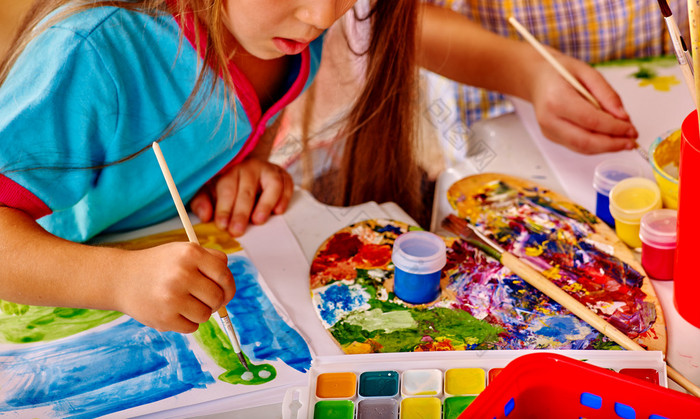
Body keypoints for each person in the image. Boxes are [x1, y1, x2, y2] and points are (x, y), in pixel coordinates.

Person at [0, 0, 636, 333]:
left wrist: (237, 166)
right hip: (52, 298)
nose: (321, 15)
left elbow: (403, 25)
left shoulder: (279, 28)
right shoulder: (91, 55)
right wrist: (116, 281)